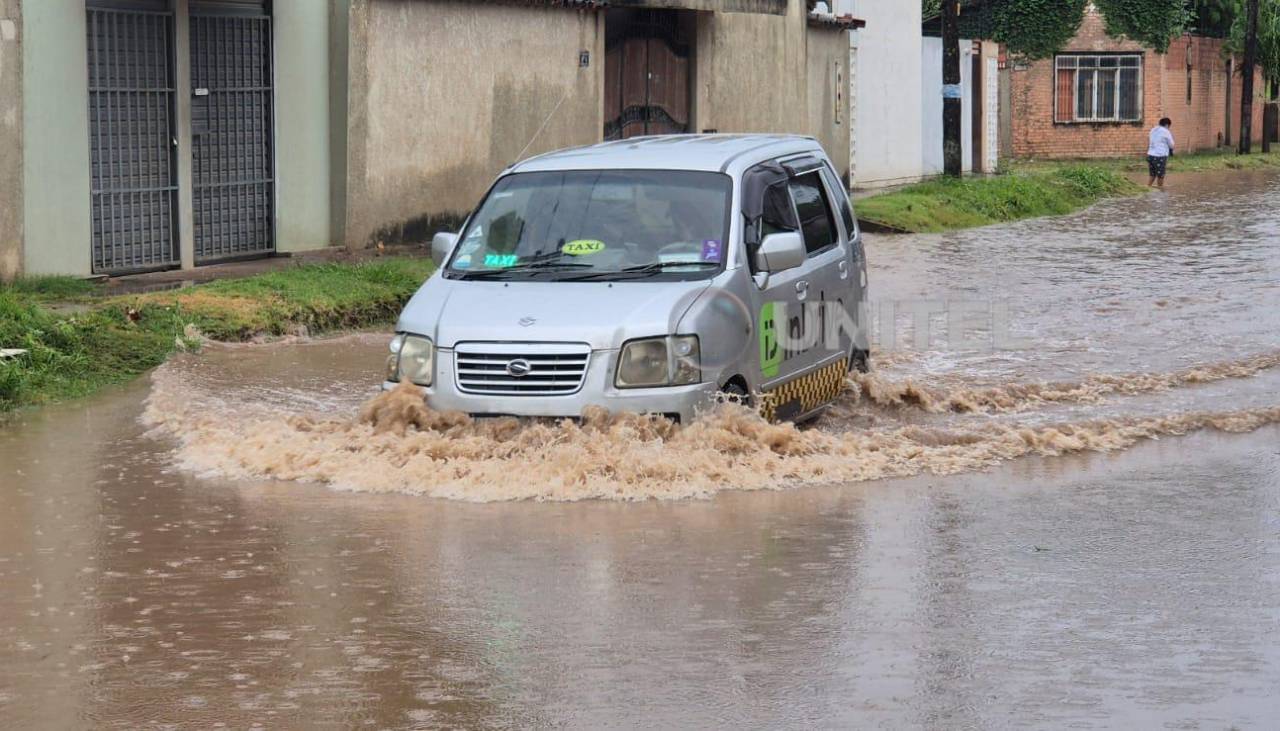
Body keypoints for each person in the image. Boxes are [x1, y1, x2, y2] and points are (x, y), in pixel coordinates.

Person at [1147, 118, 1174, 188]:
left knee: (1152, 174)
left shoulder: (1153, 130)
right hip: (1160, 156)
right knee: (1160, 175)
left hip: (1150, 155)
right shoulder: (1165, 131)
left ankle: (1148, 187)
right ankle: (1160, 190)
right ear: (1167, 125)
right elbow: (1171, 145)